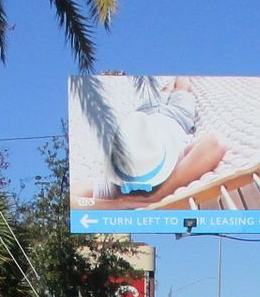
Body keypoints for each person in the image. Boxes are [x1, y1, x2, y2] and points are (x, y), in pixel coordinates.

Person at [75, 76, 225, 207]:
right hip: (177, 117)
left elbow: (73, 199)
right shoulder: (174, 163)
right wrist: (119, 204)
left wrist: (154, 197)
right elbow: (216, 143)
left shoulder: (115, 185)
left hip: (145, 116)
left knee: (168, 90)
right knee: (182, 89)